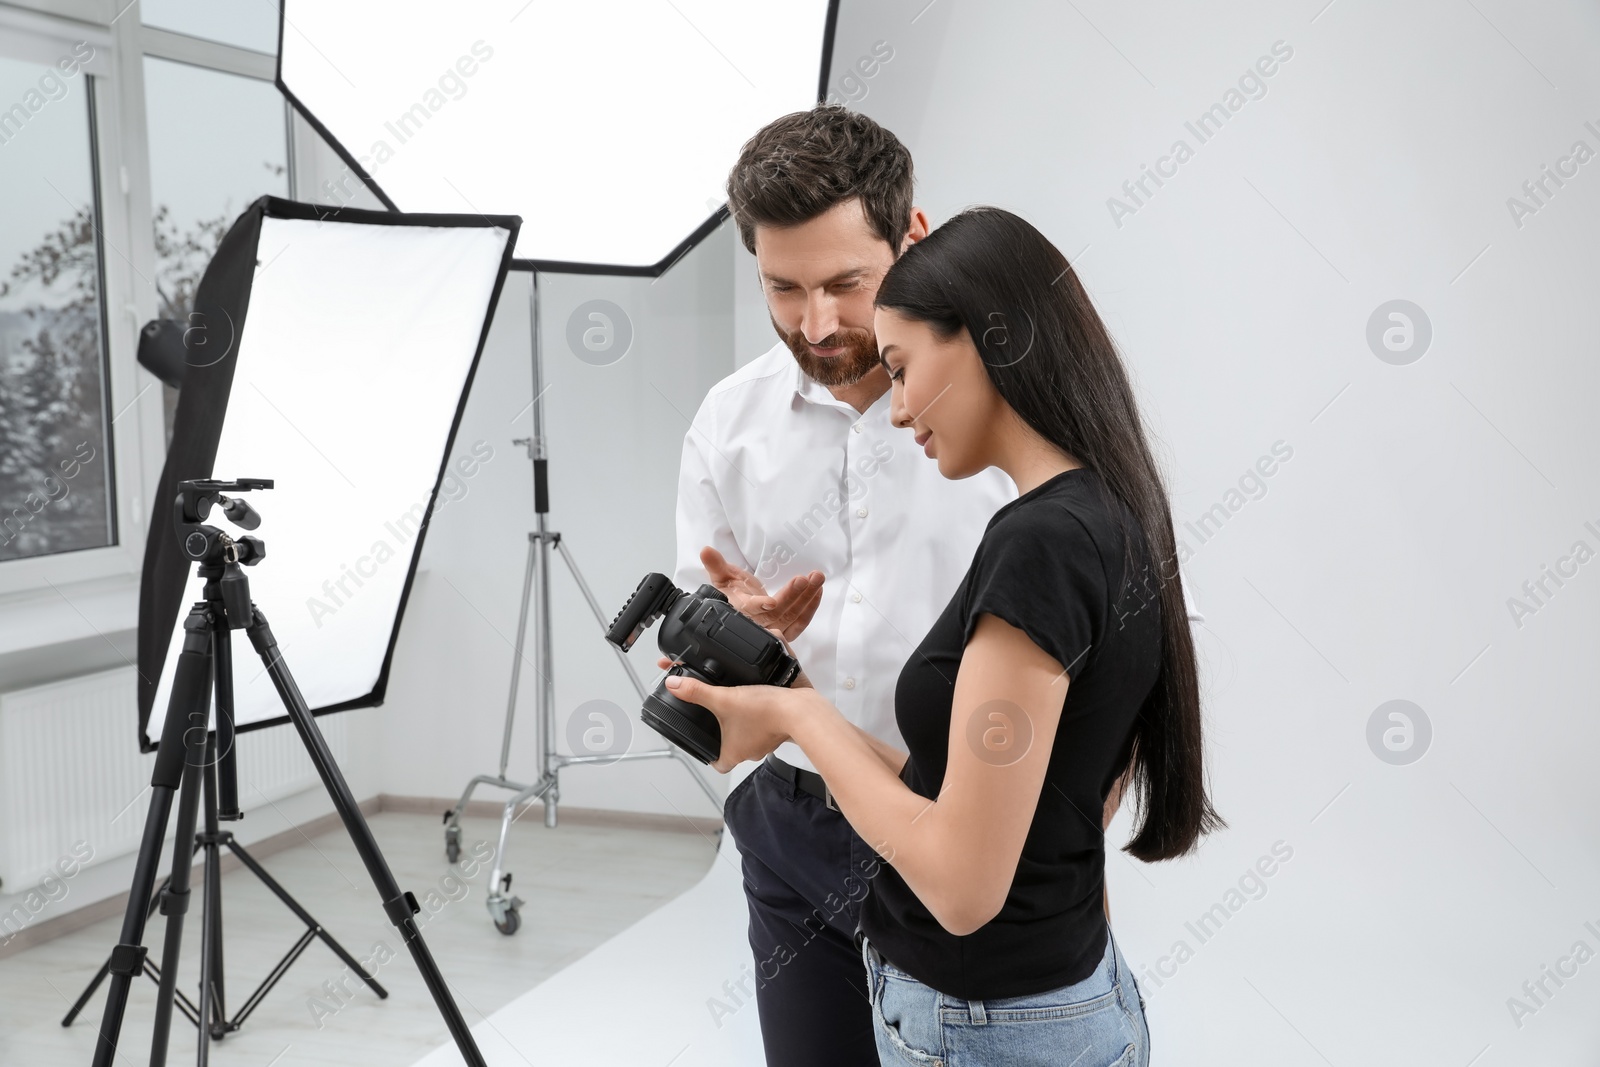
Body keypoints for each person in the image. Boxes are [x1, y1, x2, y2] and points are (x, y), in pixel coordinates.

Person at [664, 205, 1225, 1066]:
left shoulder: (1037, 542)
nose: (893, 410)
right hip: (1046, 999)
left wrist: (800, 723)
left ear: (982, 340)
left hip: (992, 1024)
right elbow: (963, 790)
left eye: (900, 369)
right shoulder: (1102, 511)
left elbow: (963, 887)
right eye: (783, 285)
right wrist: (790, 698)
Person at [672, 105, 1016, 1067]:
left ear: (913, 236)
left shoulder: (1017, 406)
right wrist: (730, 639)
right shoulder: (727, 422)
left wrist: (1069, 836)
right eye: (783, 287)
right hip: (789, 821)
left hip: (958, 828)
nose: (815, 325)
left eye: (845, 284)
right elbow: (695, 654)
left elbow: (1138, 626)